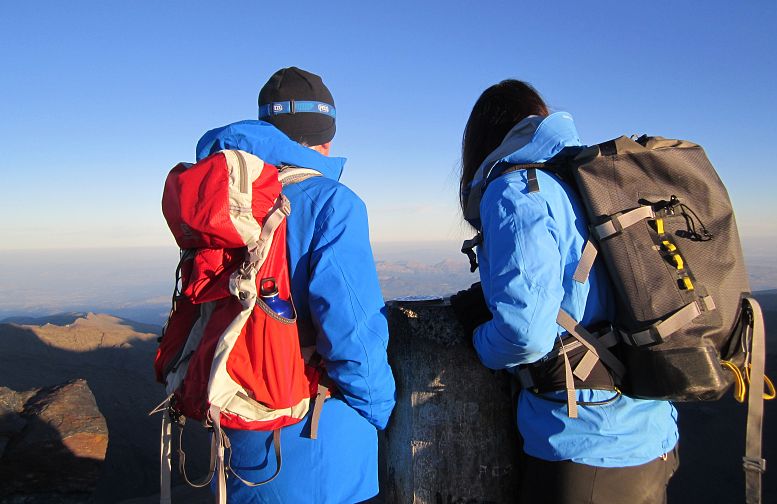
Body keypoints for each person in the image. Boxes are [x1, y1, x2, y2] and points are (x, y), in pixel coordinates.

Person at [451, 79, 679, 504]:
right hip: (652, 435)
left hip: (583, 447)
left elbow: (525, 335)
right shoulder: (591, 181)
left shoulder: (515, 190)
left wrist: (478, 335)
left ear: (482, 139)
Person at [195, 66, 395, 504]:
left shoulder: (228, 200)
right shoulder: (332, 203)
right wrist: (378, 411)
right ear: (327, 134)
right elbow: (353, 336)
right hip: (315, 446)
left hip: (235, 432)